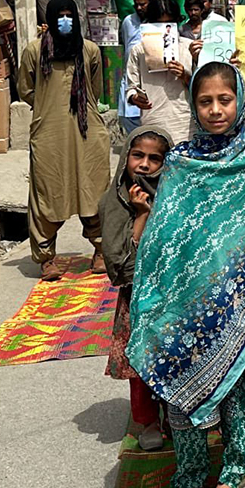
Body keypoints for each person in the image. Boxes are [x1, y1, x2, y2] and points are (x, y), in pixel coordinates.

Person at [128, 62, 245, 488]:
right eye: (204, 101)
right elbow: (165, 232)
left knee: (239, 383)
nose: (214, 110)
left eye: (223, 100)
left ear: (240, 100)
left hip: (238, 296)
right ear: (193, 104)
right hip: (183, 300)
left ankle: (233, 473)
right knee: (178, 371)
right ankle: (189, 476)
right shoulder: (180, 162)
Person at [17, 0, 111, 281]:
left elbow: (94, 90)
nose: (66, 21)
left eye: (71, 15)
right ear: (51, 18)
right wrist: (50, 106)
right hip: (49, 132)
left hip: (87, 129)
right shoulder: (34, 51)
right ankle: (46, 258)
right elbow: (26, 90)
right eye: (61, 16)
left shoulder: (90, 50)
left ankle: (101, 250)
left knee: (94, 189)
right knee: (48, 192)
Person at [98, 124, 173, 452]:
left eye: (154, 159)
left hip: (171, 294)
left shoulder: (174, 195)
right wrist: (142, 214)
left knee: (173, 356)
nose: (144, 164)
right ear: (125, 157)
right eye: (137, 155)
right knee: (140, 366)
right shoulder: (114, 201)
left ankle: (175, 414)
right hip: (136, 298)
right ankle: (148, 421)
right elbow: (121, 262)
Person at [126, 0, 199, 145]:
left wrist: (185, 75)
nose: (165, 28)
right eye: (159, 23)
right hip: (152, 120)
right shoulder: (138, 51)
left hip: (184, 123)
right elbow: (131, 87)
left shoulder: (190, 48)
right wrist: (135, 98)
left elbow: (202, 88)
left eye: (169, 23)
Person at [119, 0, 155, 135]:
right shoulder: (128, 21)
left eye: (143, 4)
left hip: (151, 76)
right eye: (137, 5)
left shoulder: (157, 22)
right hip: (131, 73)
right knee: (129, 115)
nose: (139, 8)